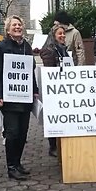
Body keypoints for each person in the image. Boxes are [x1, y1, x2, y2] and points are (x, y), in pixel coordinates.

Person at [0, 15, 39, 181]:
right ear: (8, 29)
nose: (17, 27)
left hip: (25, 98)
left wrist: (35, 89)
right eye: (14, 25)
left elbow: (29, 71)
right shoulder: (1, 47)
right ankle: (11, 167)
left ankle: (17, 163)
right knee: (12, 133)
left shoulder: (26, 46)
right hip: (9, 98)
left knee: (23, 133)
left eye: (19, 24)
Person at [40, 24, 69, 157]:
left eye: (64, 33)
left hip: (64, 88)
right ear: (53, 36)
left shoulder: (63, 49)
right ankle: (53, 146)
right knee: (54, 117)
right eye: (60, 34)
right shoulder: (49, 50)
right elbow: (50, 72)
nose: (63, 36)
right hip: (53, 90)